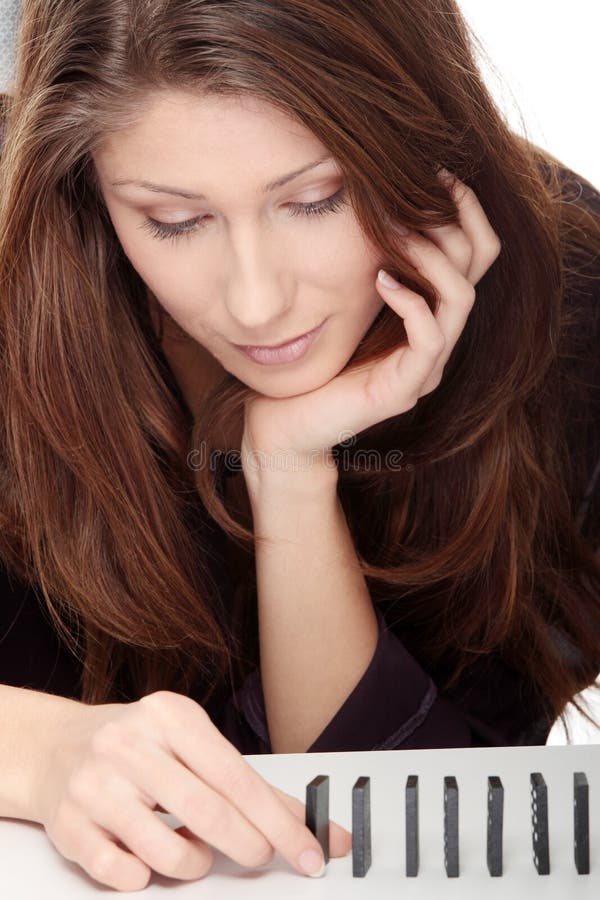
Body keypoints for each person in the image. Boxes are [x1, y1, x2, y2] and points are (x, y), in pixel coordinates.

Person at [0, 0, 598, 891]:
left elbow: (398, 832)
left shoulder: (568, 321)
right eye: (172, 220)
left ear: (426, 153)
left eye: (315, 199)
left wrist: (289, 472)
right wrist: (36, 750)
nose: (255, 303)